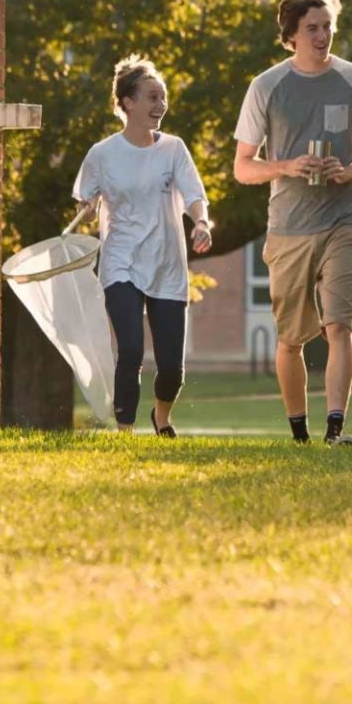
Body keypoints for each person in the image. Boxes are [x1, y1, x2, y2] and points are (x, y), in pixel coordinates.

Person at [233, 0, 352, 446]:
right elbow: (242, 167)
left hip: (343, 220)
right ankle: (299, 432)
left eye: (328, 28)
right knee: (291, 338)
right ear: (291, 35)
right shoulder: (267, 86)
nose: (323, 37)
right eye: (312, 29)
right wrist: (285, 166)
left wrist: (347, 172)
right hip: (289, 227)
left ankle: (335, 428)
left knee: (339, 324)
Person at [73, 55, 212, 436]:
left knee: (171, 368)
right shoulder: (102, 154)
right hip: (121, 262)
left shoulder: (174, 149)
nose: (160, 105)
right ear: (127, 103)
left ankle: (162, 417)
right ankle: (125, 433)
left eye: (163, 98)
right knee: (131, 349)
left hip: (167, 264)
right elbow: (85, 208)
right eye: (152, 97)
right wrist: (86, 210)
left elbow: (194, 194)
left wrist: (201, 222)